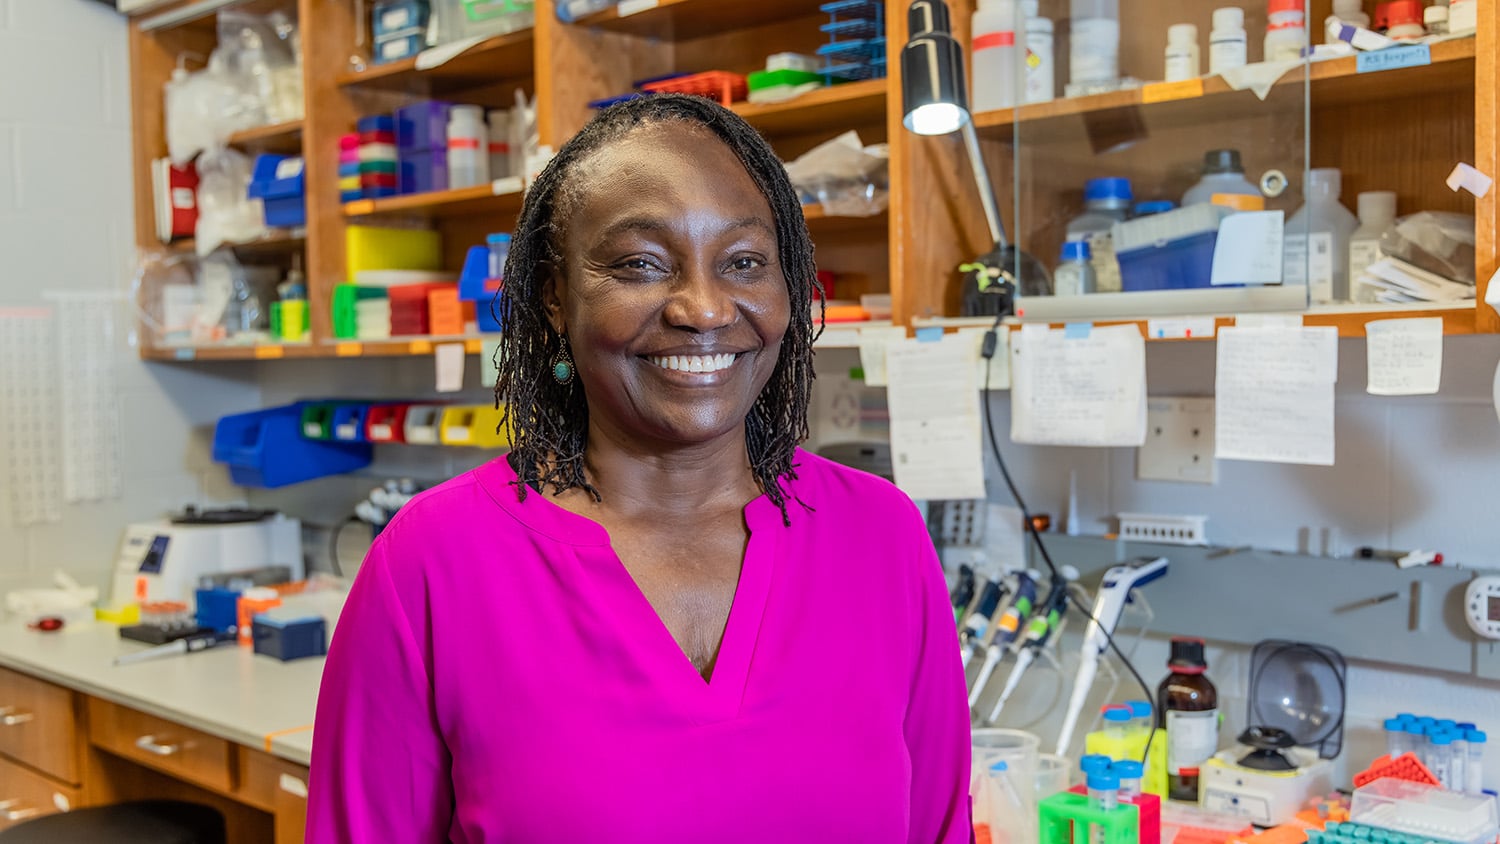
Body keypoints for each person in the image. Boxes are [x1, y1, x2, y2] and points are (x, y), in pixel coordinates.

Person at [307, 94, 970, 842]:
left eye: (744, 262)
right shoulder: (432, 562)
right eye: (641, 265)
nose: (703, 308)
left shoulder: (880, 534)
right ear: (555, 298)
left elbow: (940, 825)